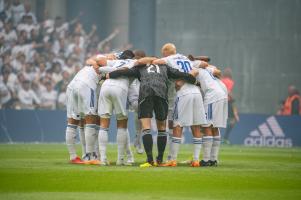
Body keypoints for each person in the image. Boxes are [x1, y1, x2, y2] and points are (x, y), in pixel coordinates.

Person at [105, 59, 200, 167]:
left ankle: (149, 160)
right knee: (162, 127)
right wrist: (195, 81)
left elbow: (123, 71)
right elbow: (182, 74)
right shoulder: (165, 67)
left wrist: (108, 75)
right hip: (161, 92)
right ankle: (159, 160)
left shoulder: (140, 67)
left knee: (146, 127)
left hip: (146, 92)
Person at [153, 43, 208, 167]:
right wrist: (189, 75)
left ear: (166, 52)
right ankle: (195, 160)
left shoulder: (168, 59)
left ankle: (172, 159)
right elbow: (203, 65)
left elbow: (156, 62)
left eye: (163, 53)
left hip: (183, 94)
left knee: (177, 126)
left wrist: (181, 80)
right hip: (196, 93)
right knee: (196, 127)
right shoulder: (185, 59)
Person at [221, 68, 239, 144]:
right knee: (233, 120)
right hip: (227, 102)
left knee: (216, 120)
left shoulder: (221, 81)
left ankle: (213, 137)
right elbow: (228, 91)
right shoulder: (231, 82)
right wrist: (232, 97)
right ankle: (225, 138)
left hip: (219, 101)